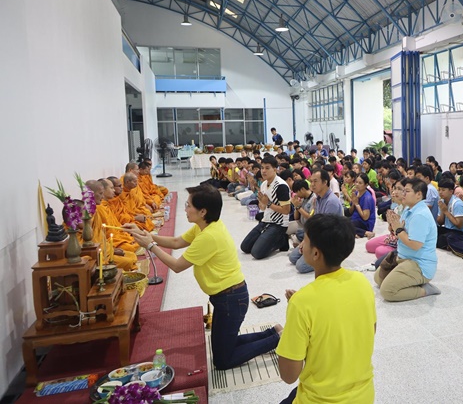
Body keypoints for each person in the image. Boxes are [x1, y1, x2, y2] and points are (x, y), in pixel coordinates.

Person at [124, 185, 281, 370]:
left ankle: (277, 339)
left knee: (222, 361)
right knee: (225, 345)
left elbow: (177, 266)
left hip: (231, 299)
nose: (185, 209)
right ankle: (273, 332)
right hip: (227, 297)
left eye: (188, 205)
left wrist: (150, 246)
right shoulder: (205, 226)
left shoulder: (209, 236)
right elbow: (176, 242)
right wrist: (146, 235)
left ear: (203, 211)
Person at [278, 214, 376, 404]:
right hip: (364, 396)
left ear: (316, 254)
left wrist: (294, 324)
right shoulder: (362, 282)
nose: (301, 245)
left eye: (305, 241)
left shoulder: (302, 302)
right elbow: (369, 331)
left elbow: (288, 375)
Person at [374, 179, 440, 301]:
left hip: (418, 263)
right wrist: (393, 227)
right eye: (403, 191)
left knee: (387, 291)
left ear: (418, 195)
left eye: (407, 191)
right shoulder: (409, 209)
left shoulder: (420, 215)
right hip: (403, 257)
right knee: (378, 279)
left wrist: (398, 229)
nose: (403, 194)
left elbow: (415, 245)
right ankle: (411, 281)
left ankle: (425, 290)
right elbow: (400, 234)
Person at [289, 170, 344, 273]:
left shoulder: (331, 201)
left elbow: (325, 230)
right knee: (293, 257)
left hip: (329, 240)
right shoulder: (318, 199)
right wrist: (305, 241)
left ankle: (329, 258)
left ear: (325, 182)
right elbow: (315, 222)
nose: (312, 185)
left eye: (315, 181)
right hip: (319, 235)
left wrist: (310, 244)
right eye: (311, 181)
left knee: (300, 266)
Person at [240, 156, 291, 259]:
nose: (263, 171)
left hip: (278, 224)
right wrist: (262, 203)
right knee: (245, 247)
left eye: (267, 168)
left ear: (275, 169)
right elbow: (263, 207)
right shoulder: (264, 184)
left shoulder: (281, 186)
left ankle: (282, 240)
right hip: (265, 220)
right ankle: (267, 238)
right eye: (262, 168)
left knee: (257, 253)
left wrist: (268, 203)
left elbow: (286, 211)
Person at [366, 179, 405, 260]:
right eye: (395, 188)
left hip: (400, 240)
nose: (395, 192)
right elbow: (391, 230)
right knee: (368, 245)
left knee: (379, 252)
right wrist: (390, 223)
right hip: (393, 237)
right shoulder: (397, 208)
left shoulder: (407, 209)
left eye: (399, 189)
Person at [436, 179, 463, 256]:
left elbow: (459, 225)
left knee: (449, 237)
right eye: (439, 189)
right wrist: (442, 210)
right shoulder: (442, 201)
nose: (440, 192)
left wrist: (446, 211)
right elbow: (440, 222)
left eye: (443, 190)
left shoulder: (457, 203)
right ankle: (448, 245)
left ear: (451, 191)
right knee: (434, 229)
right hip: (449, 230)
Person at [348, 173, 376, 238]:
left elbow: (365, 217)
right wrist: (353, 203)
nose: (357, 184)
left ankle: (365, 232)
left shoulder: (367, 198)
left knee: (348, 225)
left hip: (365, 223)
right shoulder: (356, 193)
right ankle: (356, 233)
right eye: (356, 182)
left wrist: (357, 204)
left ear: (366, 185)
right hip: (356, 219)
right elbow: (351, 211)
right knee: (341, 222)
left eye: (360, 183)